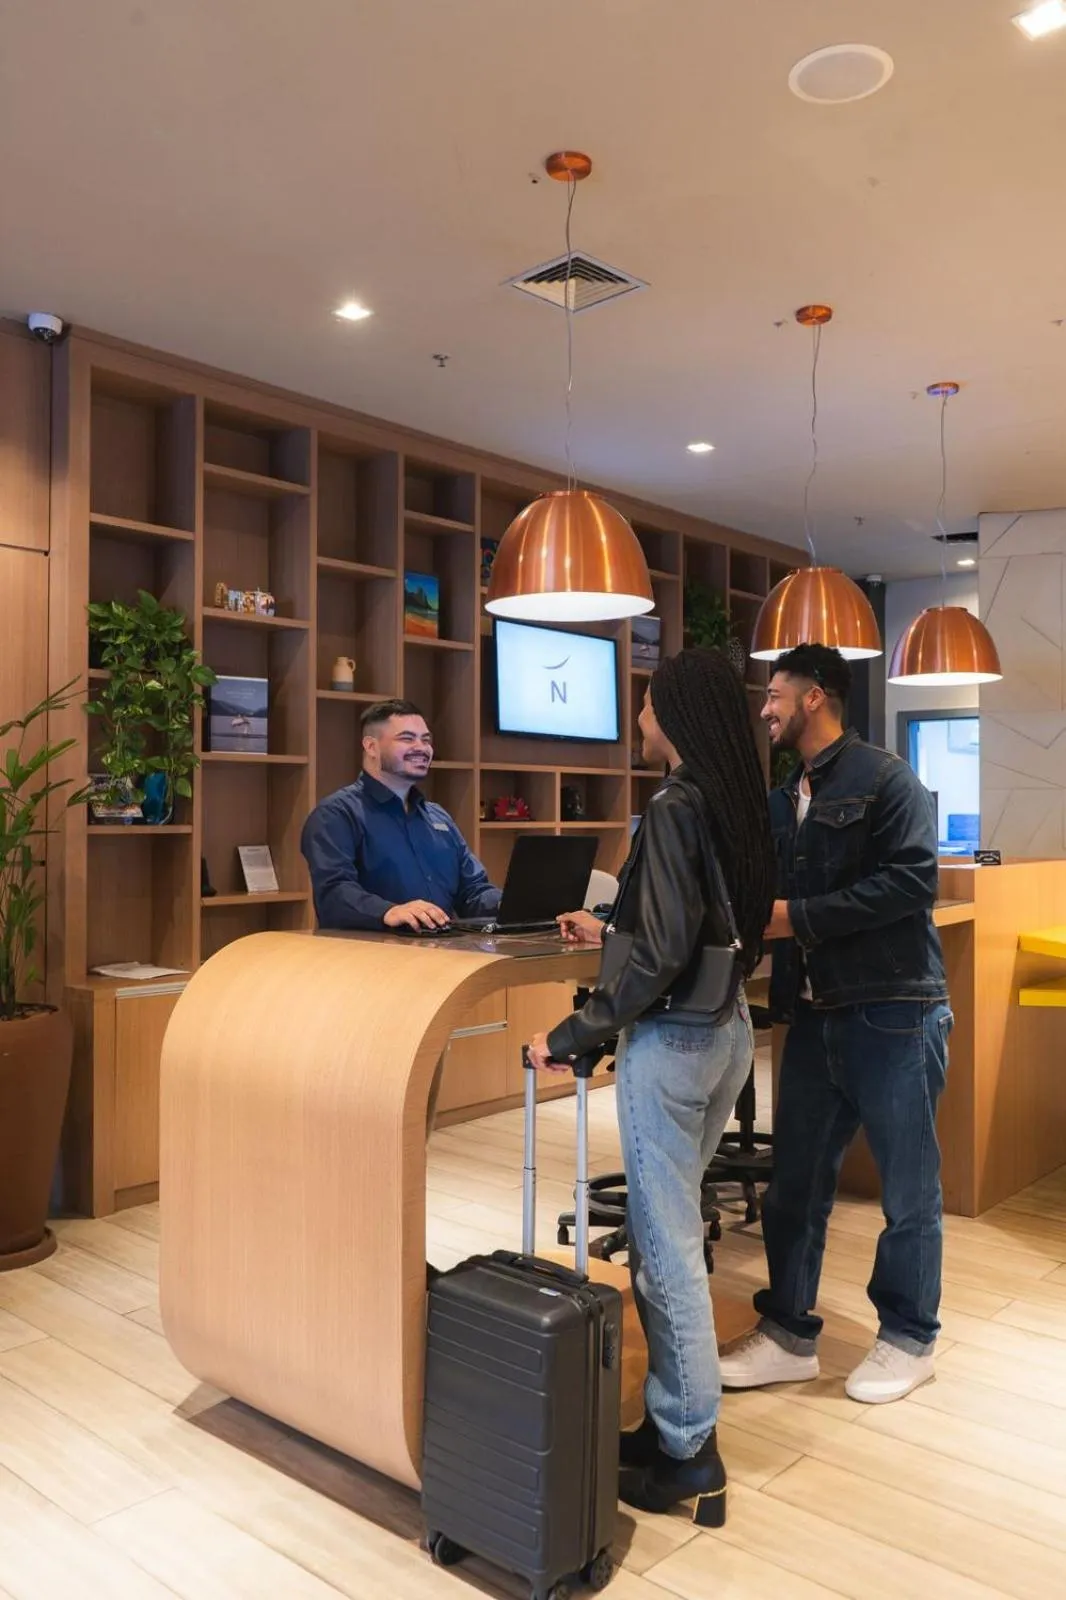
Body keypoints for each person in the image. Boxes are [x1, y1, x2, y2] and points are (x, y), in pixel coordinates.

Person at [527, 647, 775, 1525]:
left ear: (671, 714)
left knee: (663, 1247)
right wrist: (611, 926)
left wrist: (573, 1035)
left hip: (671, 1045)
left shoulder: (672, 804)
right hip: (726, 1034)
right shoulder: (734, 799)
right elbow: (701, 927)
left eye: (644, 706)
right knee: (666, 1231)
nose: (636, 720)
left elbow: (664, 956)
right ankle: (669, 1424)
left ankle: (688, 1455)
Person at [719, 643, 951, 1405]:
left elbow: (913, 882)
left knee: (908, 1191)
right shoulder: (785, 797)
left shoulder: (886, 778)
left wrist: (799, 917)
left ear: (814, 695)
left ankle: (909, 1338)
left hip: (894, 1009)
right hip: (814, 1016)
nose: (766, 710)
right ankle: (787, 1334)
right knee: (794, 1187)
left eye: (775, 695)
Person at [300, 698, 501, 932]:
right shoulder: (336, 814)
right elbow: (333, 894)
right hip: (371, 951)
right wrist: (388, 911)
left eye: (426, 740)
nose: (421, 748)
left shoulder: (439, 817)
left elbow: (473, 892)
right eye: (407, 738)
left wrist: (515, 904)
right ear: (371, 746)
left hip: (443, 950)